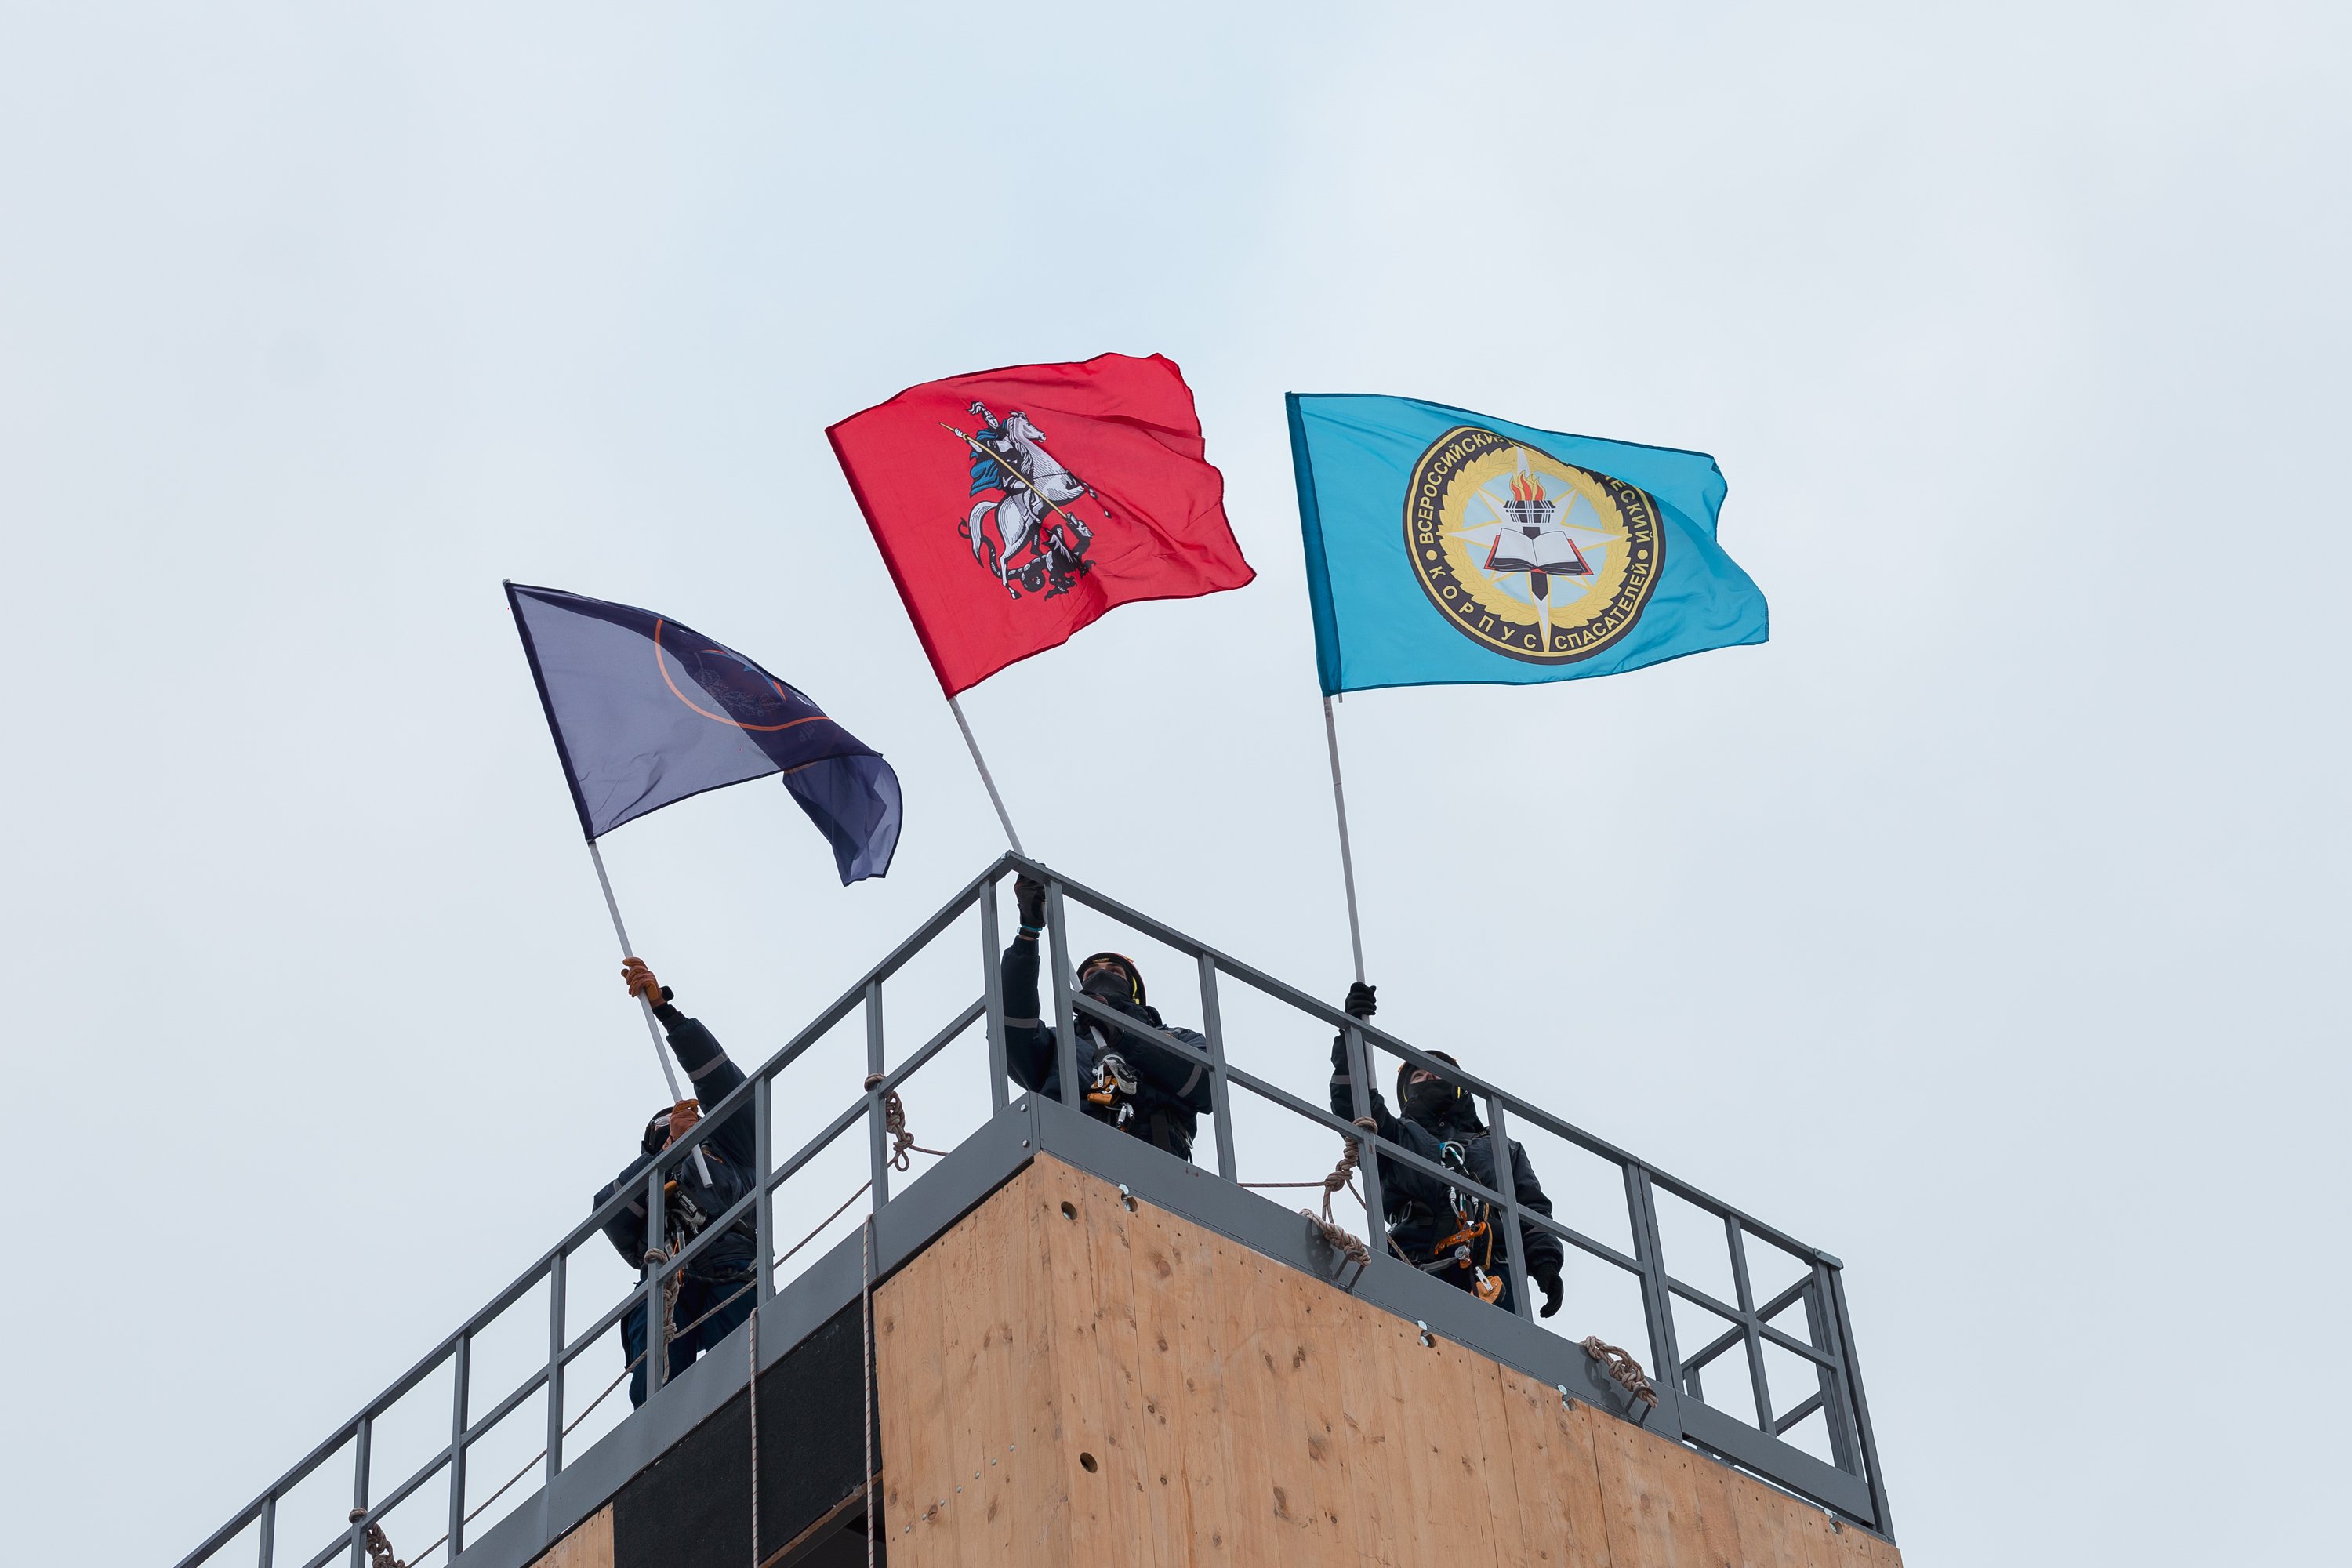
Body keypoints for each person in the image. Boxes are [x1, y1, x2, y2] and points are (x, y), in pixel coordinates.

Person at [1328, 982, 1565, 1317]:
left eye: (1438, 1073)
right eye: (1419, 1076)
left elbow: (1531, 1210)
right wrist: (1352, 1032)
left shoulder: (1502, 1148)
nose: (1429, 1077)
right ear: (1407, 1093)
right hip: (1414, 1266)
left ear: (1458, 1086)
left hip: (1491, 1277)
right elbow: (1354, 1105)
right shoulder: (1397, 1135)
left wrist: (1546, 1264)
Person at [595, 957, 759, 1406]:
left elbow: (723, 1081)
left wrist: (667, 1013)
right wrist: (664, 1156)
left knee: (750, 1373)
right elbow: (609, 1215)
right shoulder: (650, 1183)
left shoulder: (733, 1150)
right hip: (667, 1278)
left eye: (689, 1121)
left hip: (732, 1264)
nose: (682, 1127)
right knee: (655, 1389)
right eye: (667, 1130)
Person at [1000, 873, 1213, 1160]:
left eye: (1114, 971)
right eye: (1091, 973)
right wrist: (1028, 933)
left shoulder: (1177, 1039)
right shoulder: (1059, 1045)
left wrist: (1121, 1036)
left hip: (1157, 1161)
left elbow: (1206, 1086)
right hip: (1067, 1157)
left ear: (1133, 992)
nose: (1102, 974)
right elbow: (1013, 1029)